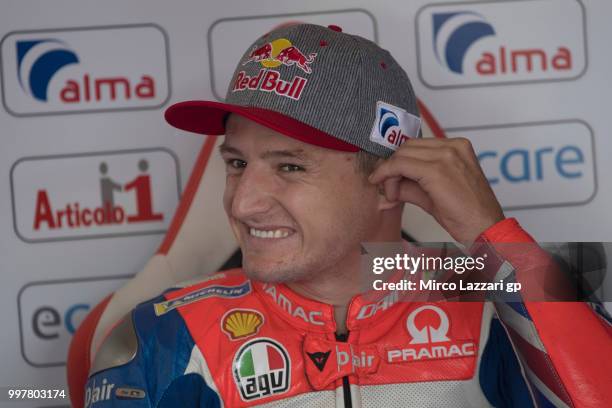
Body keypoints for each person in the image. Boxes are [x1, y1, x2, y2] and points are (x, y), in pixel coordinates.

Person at [83, 23, 611, 407]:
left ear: (389, 180)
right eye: (237, 163)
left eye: (289, 166)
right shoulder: (164, 332)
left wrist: (490, 235)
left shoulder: (504, 304)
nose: (242, 204)